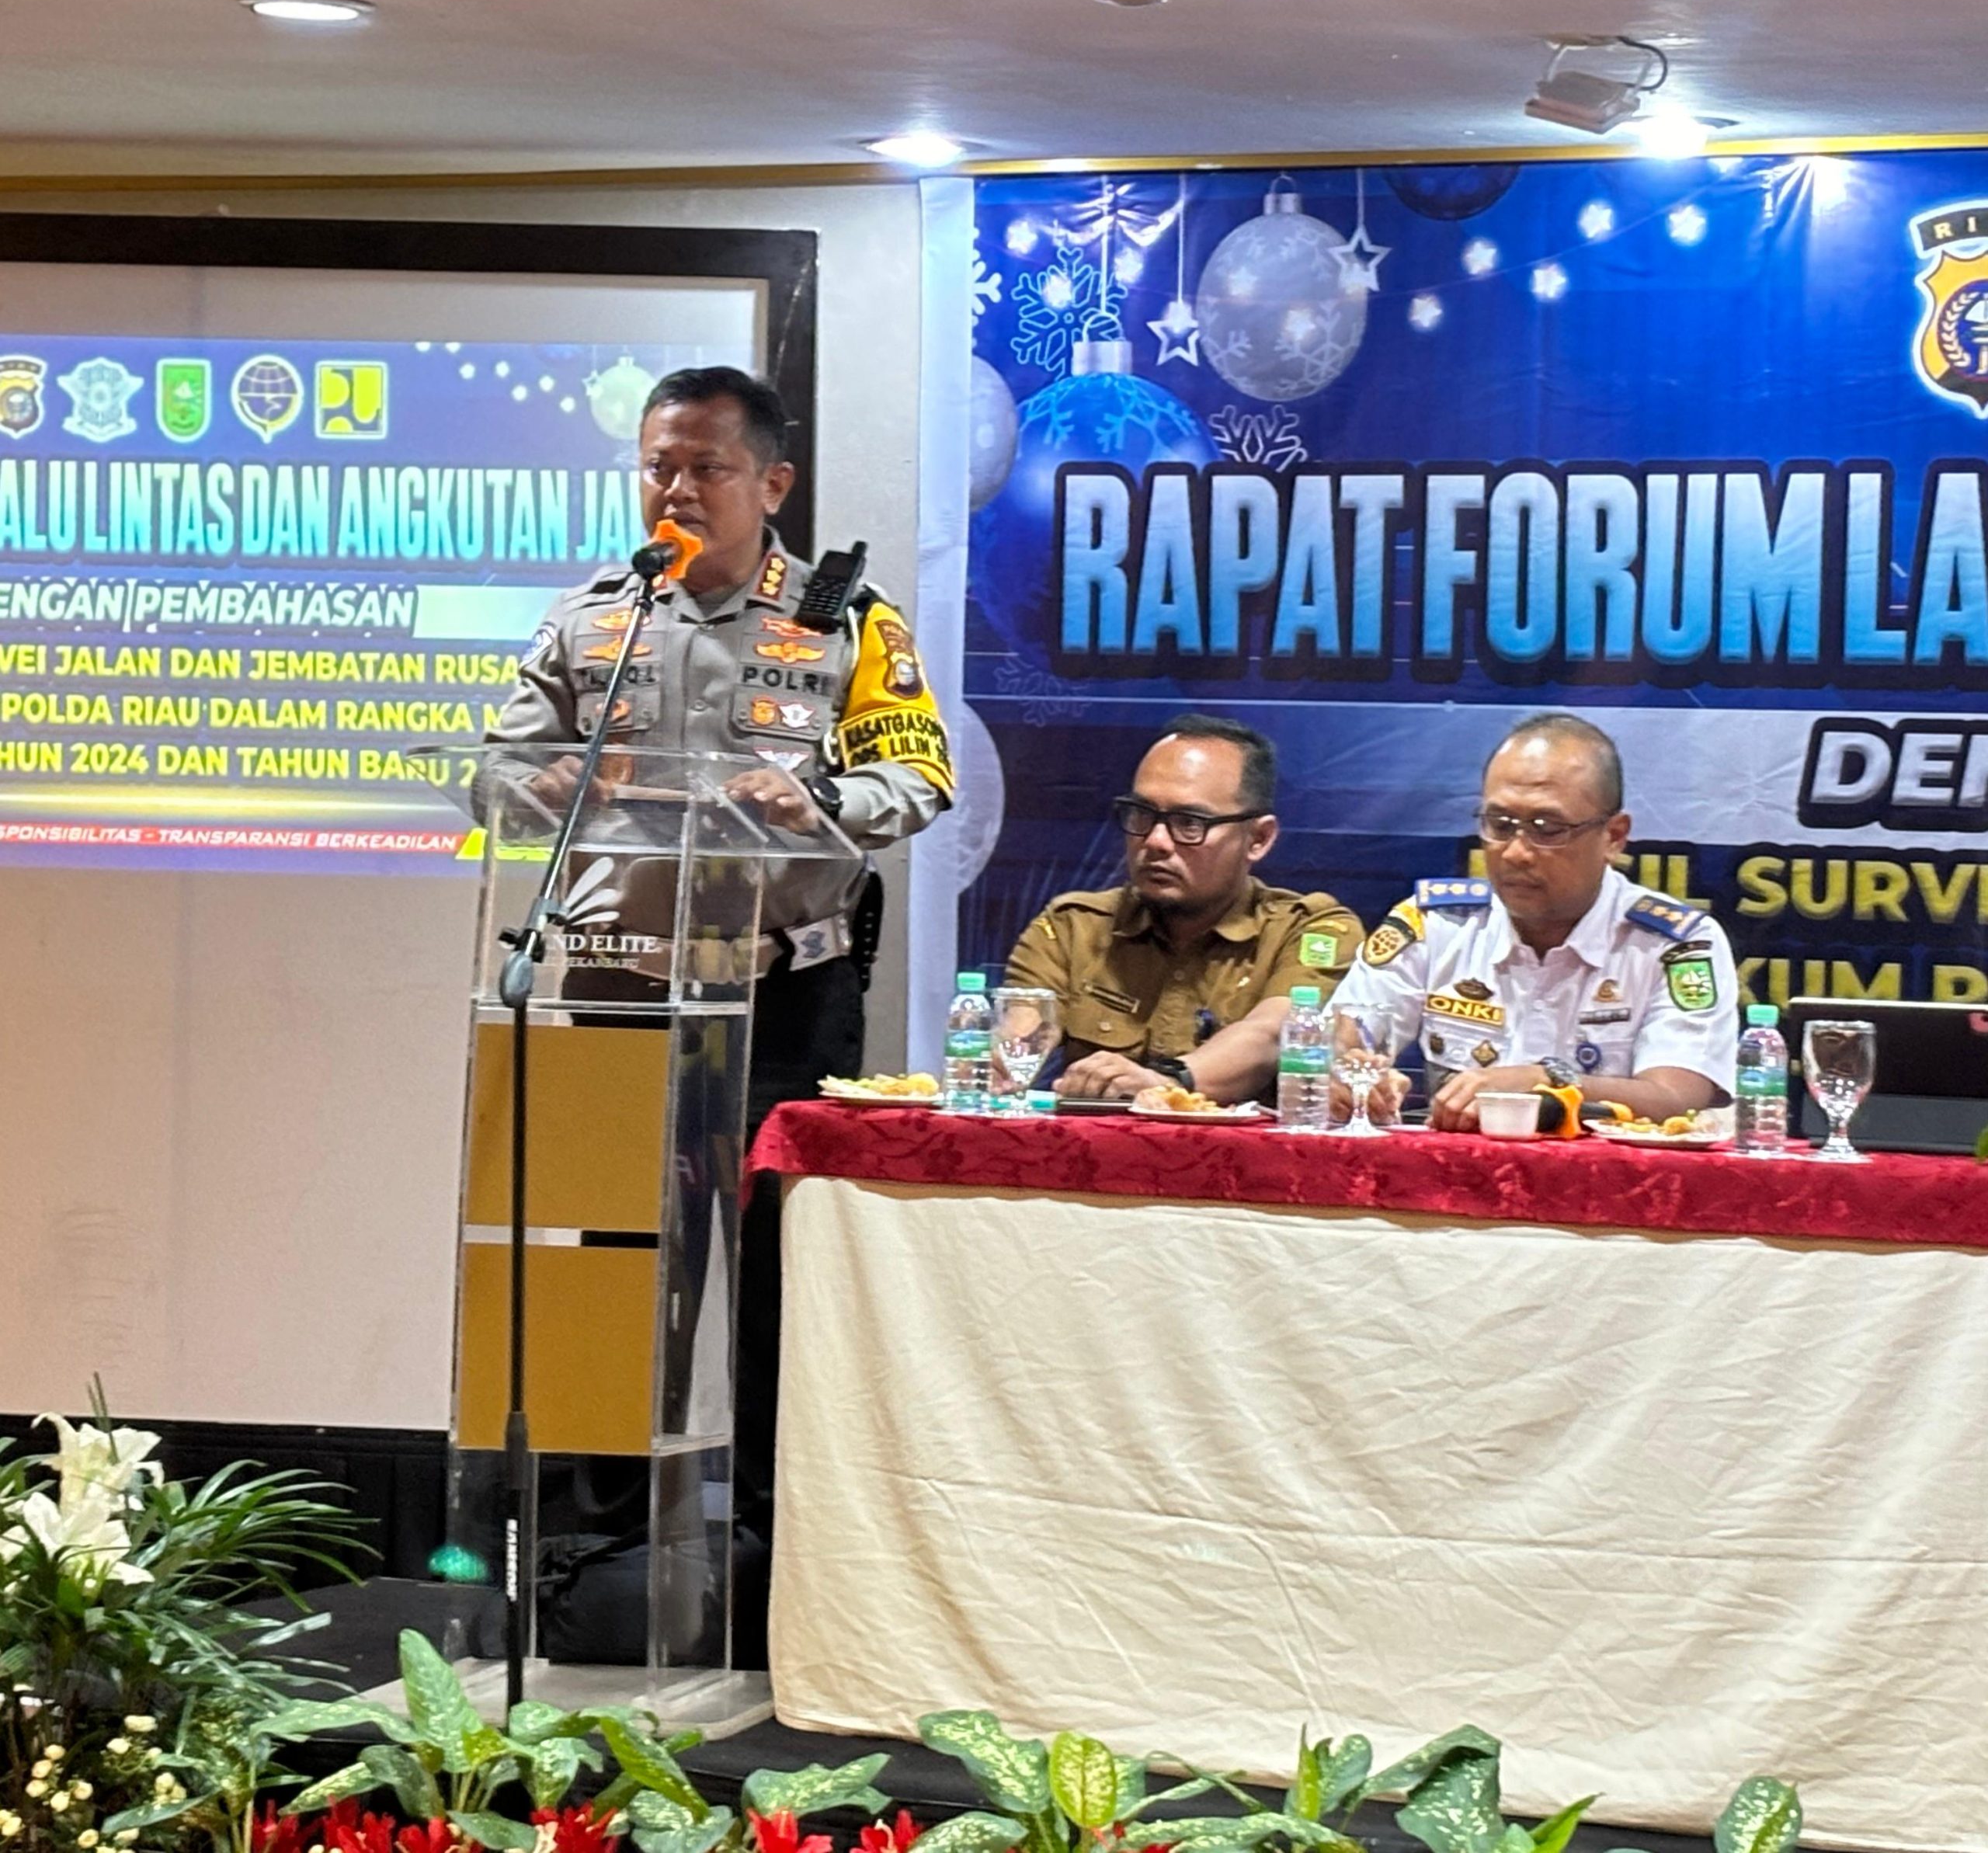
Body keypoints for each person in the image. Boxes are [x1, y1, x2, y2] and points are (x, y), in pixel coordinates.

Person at [481, 364, 952, 1657]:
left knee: (767, 1273)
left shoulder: (849, 624)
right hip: (615, 979)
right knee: (613, 1268)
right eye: (660, 466)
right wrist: (548, 783)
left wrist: (822, 802)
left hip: (780, 992)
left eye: (707, 468)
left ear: (772, 483)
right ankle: (595, 1550)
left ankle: (770, 1544)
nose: (677, 490)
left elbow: (919, 776)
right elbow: (496, 774)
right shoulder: (594, 619)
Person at [1329, 711, 1737, 1132]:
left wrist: (1546, 1082)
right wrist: (1346, 1071)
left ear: (1614, 837)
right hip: (1453, 1170)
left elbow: (1676, 1098)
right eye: (1500, 825)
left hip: (1610, 1172)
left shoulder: (1674, 945)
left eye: (1547, 829)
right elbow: (1342, 1038)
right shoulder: (1435, 925)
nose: (1515, 853)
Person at [1006, 715, 1363, 1102]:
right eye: (1142, 814)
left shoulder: (1309, 930)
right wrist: (997, 1063)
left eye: (1190, 823)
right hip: (1095, 1140)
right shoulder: (1073, 928)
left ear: (1258, 839)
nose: (1156, 841)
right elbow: (1019, 1032)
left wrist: (1168, 1083)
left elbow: (1274, 1034)